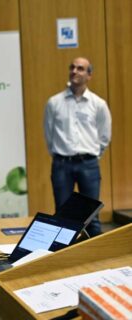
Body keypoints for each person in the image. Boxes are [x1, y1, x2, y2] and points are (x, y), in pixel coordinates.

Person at [44, 57, 112, 237]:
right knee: (62, 214)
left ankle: (96, 258)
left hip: (88, 164)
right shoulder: (54, 102)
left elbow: (104, 136)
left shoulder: (98, 104)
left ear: (89, 75)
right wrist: (60, 155)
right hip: (61, 164)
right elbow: (48, 134)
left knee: (91, 215)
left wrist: (92, 156)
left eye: (80, 68)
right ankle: (60, 256)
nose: (75, 71)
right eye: (72, 67)